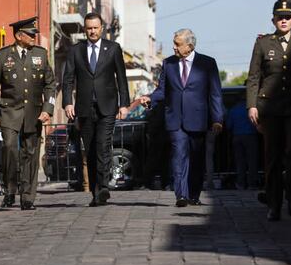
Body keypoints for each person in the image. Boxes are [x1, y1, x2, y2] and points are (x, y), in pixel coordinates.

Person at [247, 0, 291, 221]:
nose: (283, 20)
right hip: (271, 108)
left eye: (287, 17)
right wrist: (251, 105)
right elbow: (254, 77)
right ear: (273, 20)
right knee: (273, 159)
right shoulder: (263, 43)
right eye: (280, 17)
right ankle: (274, 205)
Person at [140, 28, 223, 207]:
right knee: (178, 156)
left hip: (199, 119)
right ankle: (181, 195)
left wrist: (217, 118)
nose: (174, 48)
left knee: (196, 158)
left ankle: (194, 194)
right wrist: (150, 99)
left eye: (178, 44)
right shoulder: (168, 64)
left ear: (190, 46)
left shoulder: (207, 63)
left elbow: (215, 93)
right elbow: (162, 90)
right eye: (174, 43)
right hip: (175, 119)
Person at [0, 16, 56, 210]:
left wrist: (47, 109)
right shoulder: (3, 56)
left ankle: (27, 197)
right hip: (9, 112)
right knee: (10, 148)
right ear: (19, 36)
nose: (34, 36)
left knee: (31, 154)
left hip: (34, 113)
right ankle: (9, 190)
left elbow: (50, 85)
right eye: (30, 34)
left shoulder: (41, 55)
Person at [62, 12, 129, 207]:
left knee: (102, 146)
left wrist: (124, 104)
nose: (92, 31)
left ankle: (104, 187)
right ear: (85, 29)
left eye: (95, 28)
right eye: (89, 28)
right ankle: (95, 191)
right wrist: (67, 102)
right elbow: (68, 79)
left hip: (107, 106)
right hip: (84, 108)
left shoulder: (113, 49)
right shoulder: (76, 51)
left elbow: (121, 79)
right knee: (90, 150)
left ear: (102, 28)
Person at [226, 94, 260, 190]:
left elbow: (229, 125)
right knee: (252, 161)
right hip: (251, 136)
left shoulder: (233, 110)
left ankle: (241, 183)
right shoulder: (251, 109)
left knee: (240, 162)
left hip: (237, 136)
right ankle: (252, 184)